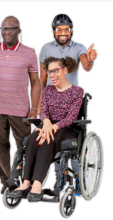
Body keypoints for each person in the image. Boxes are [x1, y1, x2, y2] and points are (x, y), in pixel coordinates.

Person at [37, 14, 97, 195]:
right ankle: (59, 178)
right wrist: (40, 104)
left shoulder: (79, 48)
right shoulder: (46, 49)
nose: (63, 33)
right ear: (54, 31)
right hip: (51, 100)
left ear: (71, 30)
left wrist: (91, 59)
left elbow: (86, 66)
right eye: (59, 29)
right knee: (52, 139)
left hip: (71, 100)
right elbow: (43, 78)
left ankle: (79, 179)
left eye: (66, 29)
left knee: (73, 142)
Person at [10, 56, 84, 201]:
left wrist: (52, 126)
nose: (52, 75)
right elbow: (43, 111)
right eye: (49, 72)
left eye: (55, 70)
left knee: (48, 139)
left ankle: (37, 184)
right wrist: (46, 123)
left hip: (68, 128)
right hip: (48, 124)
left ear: (65, 70)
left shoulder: (77, 92)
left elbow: (70, 118)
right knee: (33, 139)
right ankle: (26, 183)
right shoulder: (48, 90)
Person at [0, 16, 40, 194]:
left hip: (20, 110)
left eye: (11, 28)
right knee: (0, 145)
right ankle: (7, 181)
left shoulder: (29, 52)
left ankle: (26, 180)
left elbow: (35, 82)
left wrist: (34, 108)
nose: (7, 31)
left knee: (25, 146)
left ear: (19, 31)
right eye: (4, 28)